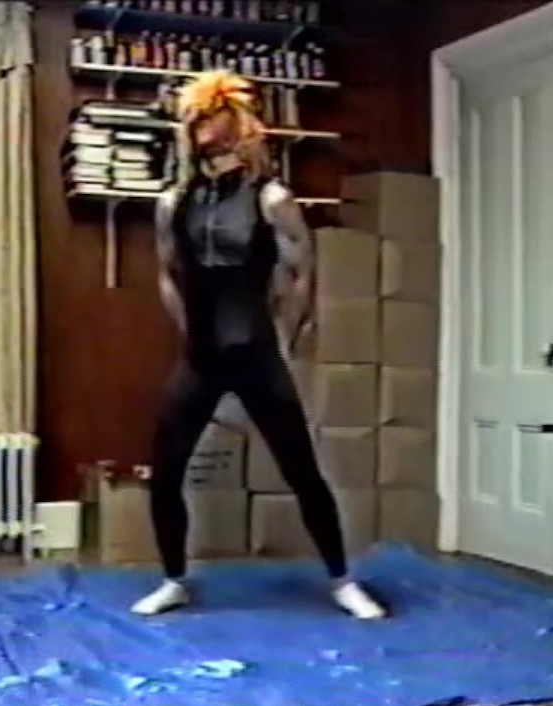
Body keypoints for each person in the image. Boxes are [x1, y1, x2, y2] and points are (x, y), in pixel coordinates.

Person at [131, 70, 386, 620]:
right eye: (196, 119)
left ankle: (342, 581)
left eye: (213, 117)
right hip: (201, 357)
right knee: (165, 470)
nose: (204, 129)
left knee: (302, 472)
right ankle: (174, 580)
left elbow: (302, 272)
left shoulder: (271, 198)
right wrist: (189, 333)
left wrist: (285, 337)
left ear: (238, 125)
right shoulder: (174, 202)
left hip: (258, 355)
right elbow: (168, 273)